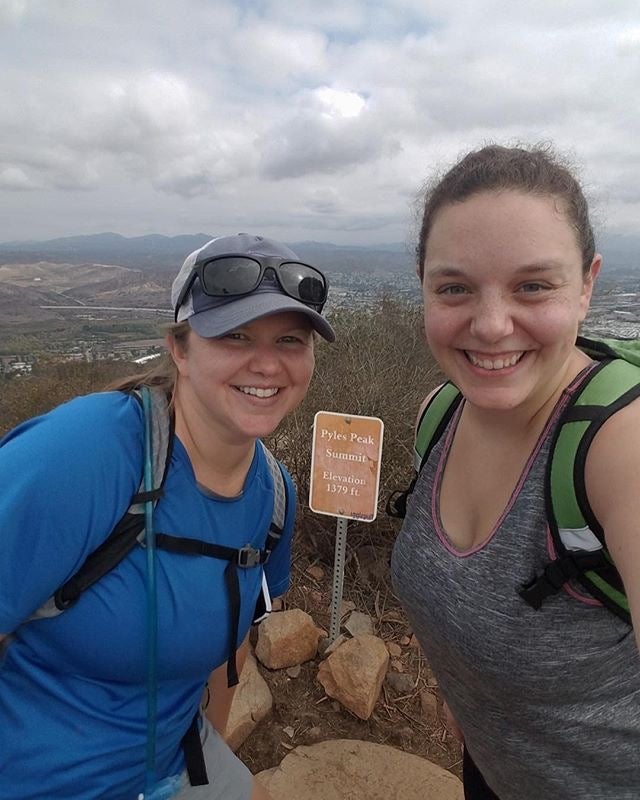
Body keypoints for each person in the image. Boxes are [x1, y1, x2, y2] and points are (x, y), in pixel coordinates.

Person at [0, 233, 335, 800]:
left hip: (176, 764)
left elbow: (229, 650)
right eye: (234, 335)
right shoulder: (83, 455)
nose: (268, 363)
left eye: (290, 340)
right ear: (180, 349)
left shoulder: (273, 495)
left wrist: (210, 761)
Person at [390, 145, 640, 799]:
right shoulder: (438, 416)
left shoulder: (618, 448)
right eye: (455, 288)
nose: (493, 324)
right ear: (423, 286)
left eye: (533, 285)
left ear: (587, 284)